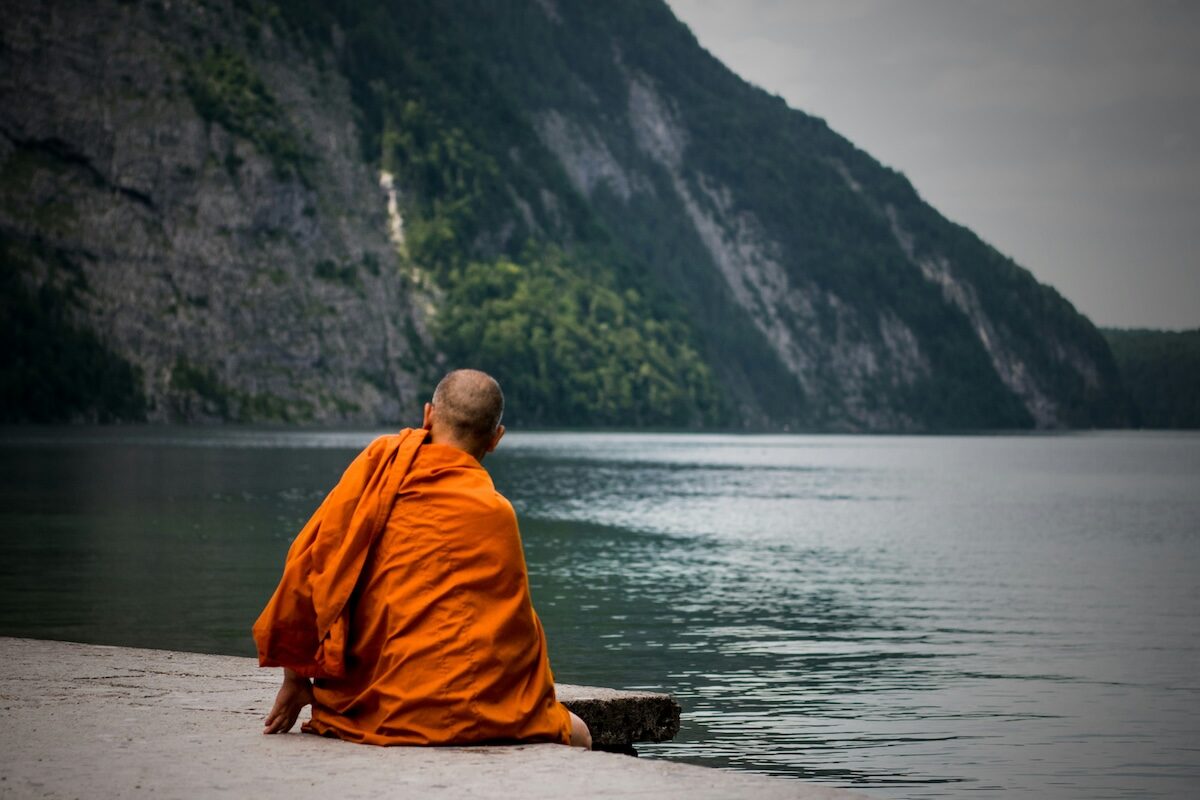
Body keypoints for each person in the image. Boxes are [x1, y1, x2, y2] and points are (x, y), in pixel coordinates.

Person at [252, 369, 591, 748]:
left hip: (375, 705)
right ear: (496, 439)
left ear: (428, 414)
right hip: (481, 714)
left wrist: (296, 680)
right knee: (579, 734)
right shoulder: (496, 514)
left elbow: (310, 564)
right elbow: (515, 637)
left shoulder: (378, 470)